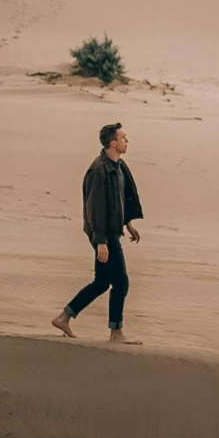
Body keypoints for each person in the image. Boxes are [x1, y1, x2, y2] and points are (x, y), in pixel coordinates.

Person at [52, 121, 143, 344]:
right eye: (123, 138)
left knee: (102, 282)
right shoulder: (99, 170)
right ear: (113, 143)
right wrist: (101, 241)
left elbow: (123, 198)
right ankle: (116, 332)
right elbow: (95, 208)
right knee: (121, 282)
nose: (127, 141)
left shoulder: (118, 165)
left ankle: (64, 317)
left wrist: (128, 222)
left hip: (111, 231)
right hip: (103, 234)